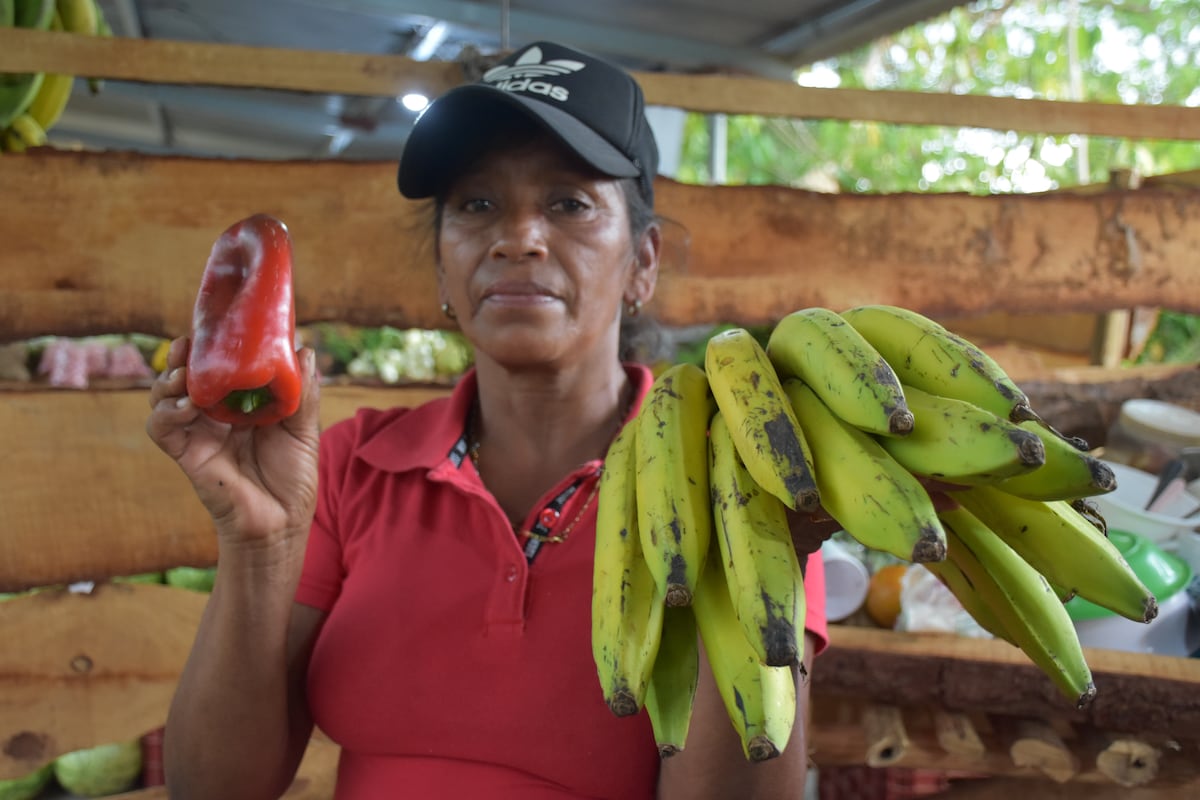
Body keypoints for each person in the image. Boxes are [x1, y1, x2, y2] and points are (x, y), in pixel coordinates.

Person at [147, 40, 830, 800]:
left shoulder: (732, 482)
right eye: (477, 205)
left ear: (643, 261)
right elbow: (212, 790)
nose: (518, 238)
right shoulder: (350, 466)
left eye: (568, 202)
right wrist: (258, 544)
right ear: (442, 266)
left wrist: (770, 567)